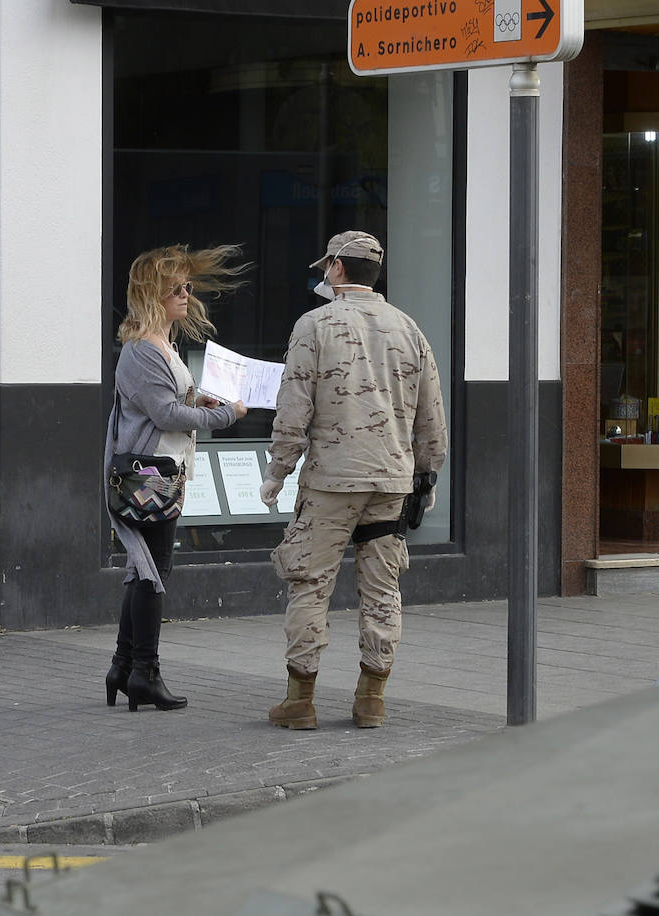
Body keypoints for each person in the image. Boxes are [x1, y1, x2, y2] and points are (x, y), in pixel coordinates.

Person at [258, 230, 448, 729]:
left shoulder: (312, 325)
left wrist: (277, 471)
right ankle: (372, 697)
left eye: (326, 267)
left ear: (338, 269)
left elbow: (293, 408)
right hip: (391, 481)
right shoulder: (409, 329)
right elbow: (431, 414)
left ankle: (300, 700)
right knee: (383, 588)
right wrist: (427, 476)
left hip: (331, 483)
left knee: (310, 583)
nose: (323, 274)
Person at [104, 244, 249, 712]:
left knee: (143, 569)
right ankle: (144, 671)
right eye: (178, 288)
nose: (187, 294)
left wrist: (201, 399)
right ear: (155, 292)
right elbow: (165, 413)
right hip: (150, 473)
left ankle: (125, 667)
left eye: (188, 287)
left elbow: (173, 398)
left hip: (162, 470)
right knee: (152, 572)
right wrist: (226, 415)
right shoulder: (143, 349)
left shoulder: (160, 345)